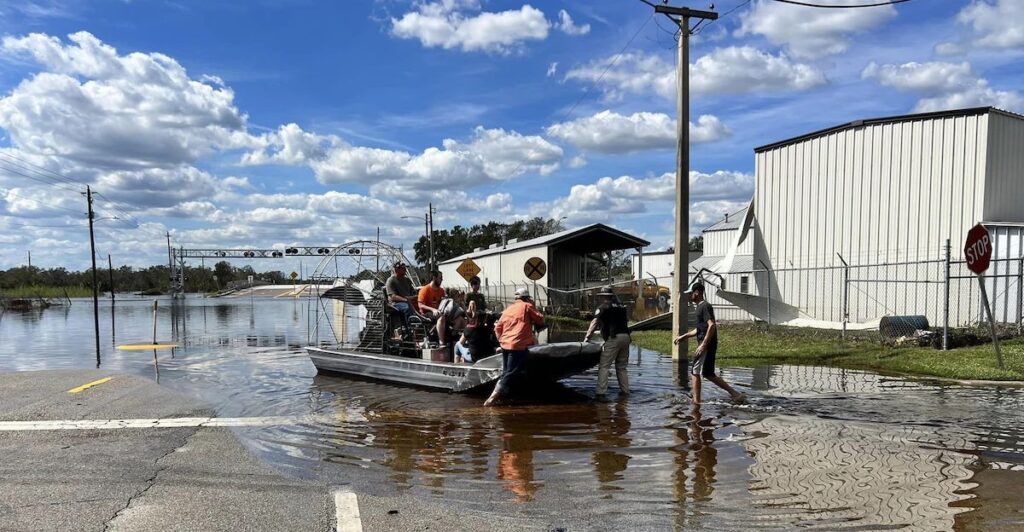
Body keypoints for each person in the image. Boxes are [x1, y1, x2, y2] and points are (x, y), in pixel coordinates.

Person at [673, 282, 745, 405]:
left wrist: (703, 344)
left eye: (691, 293)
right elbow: (701, 329)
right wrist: (684, 336)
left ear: (697, 293)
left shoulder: (705, 306)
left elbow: (712, 326)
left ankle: (696, 402)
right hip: (707, 344)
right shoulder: (700, 307)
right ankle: (736, 394)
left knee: (695, 371)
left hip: (706, 344)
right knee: (708, 373)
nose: (690, 296)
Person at [484, 287, 545, 406]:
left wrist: (502, 341)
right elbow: (540, 319)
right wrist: (533, 305)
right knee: (511, 373)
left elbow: (497, 328)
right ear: (526, 298)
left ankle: (506, 397)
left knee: (506, 372)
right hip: (517, 345)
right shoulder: (527, 306)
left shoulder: (508, 309)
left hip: (506, 345)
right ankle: (491, 399)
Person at [583, 286, 631, 399]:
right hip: (626, 337)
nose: (600, 299)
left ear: (604, 297)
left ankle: (601, 393)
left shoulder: (603, 307)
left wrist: (587, 338)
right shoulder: (621, 307)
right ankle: (625, 392)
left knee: (604, 367)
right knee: (621, 367)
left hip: (614, 338)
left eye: (601, 296)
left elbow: (595, 323)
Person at [418, 271, 451, 345]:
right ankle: (441, 341)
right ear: (434, 278)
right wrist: (433, 309)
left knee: (458, 318)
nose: (442, 279)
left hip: (439, 312)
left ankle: (455, 340)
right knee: (441, 317)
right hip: (426, 314)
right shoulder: (425, 290)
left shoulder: (441, 290)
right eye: (440, 278)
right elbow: (420, 305)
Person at [384, 263, 418, 327]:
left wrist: (417, 296)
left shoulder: (407, 280)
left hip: (409, 301)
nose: (405, 270)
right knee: (406, 307)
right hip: (395, 304)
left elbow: (413, 292)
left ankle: (423, 325)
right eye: (403, 268)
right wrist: (406, 300)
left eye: (405, 268)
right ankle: (409, 327)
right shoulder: (391, 280)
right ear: (397, 269)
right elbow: (392, 297)